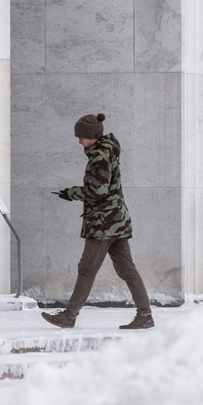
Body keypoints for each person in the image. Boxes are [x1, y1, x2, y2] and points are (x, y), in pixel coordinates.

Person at [43, 113, 154, 330]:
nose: (79, 142)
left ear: (92, 136)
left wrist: (72, 193)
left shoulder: (100, 156)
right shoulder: (106, 151)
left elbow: (99, 190)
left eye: (81, 137)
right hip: (116, 220)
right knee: (127, 270)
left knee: (87, 269)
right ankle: (145, 315)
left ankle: (69, 316)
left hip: (104, 223)